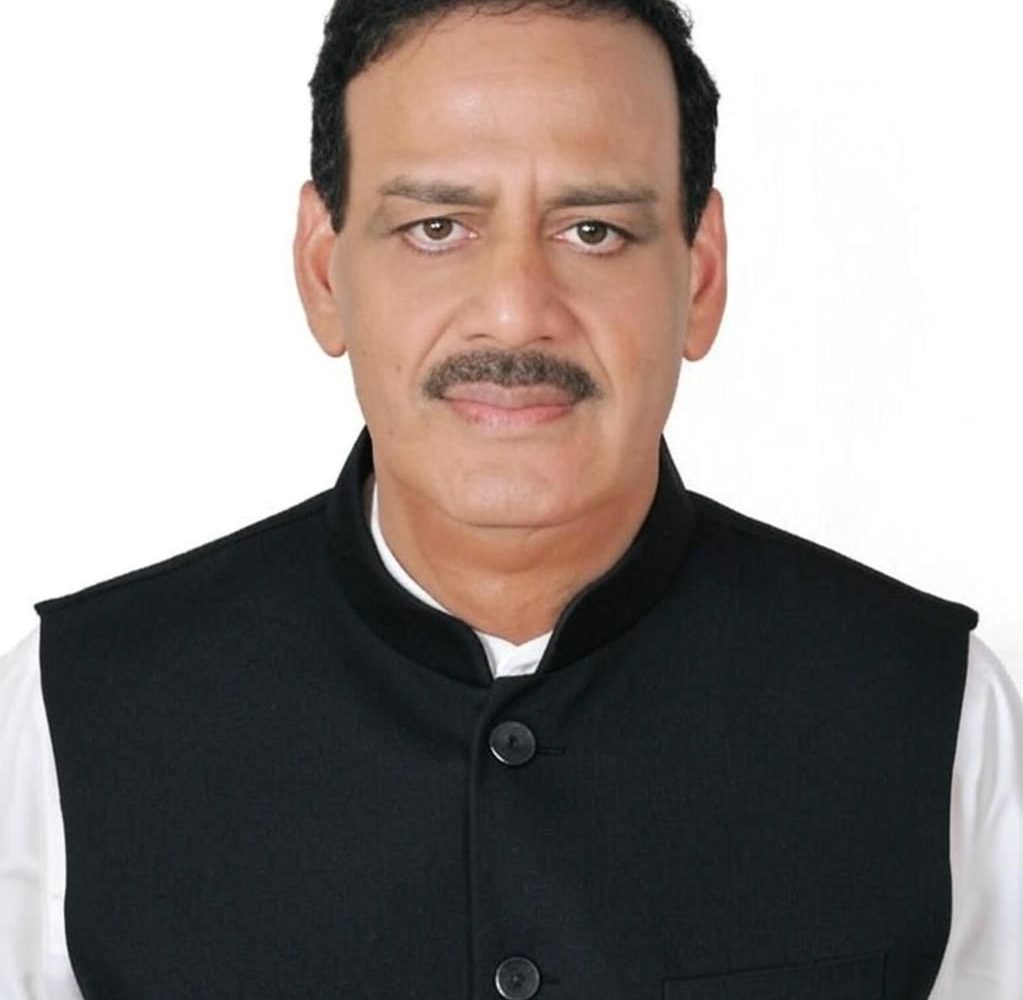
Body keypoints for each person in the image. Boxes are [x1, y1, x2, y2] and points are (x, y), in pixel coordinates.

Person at [1, 1, 1020, 998]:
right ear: (323, 272)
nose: (516, 312)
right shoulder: (64, 719)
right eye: (437, 227)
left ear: (701, 279)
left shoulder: (937, 714)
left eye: (594, 230)